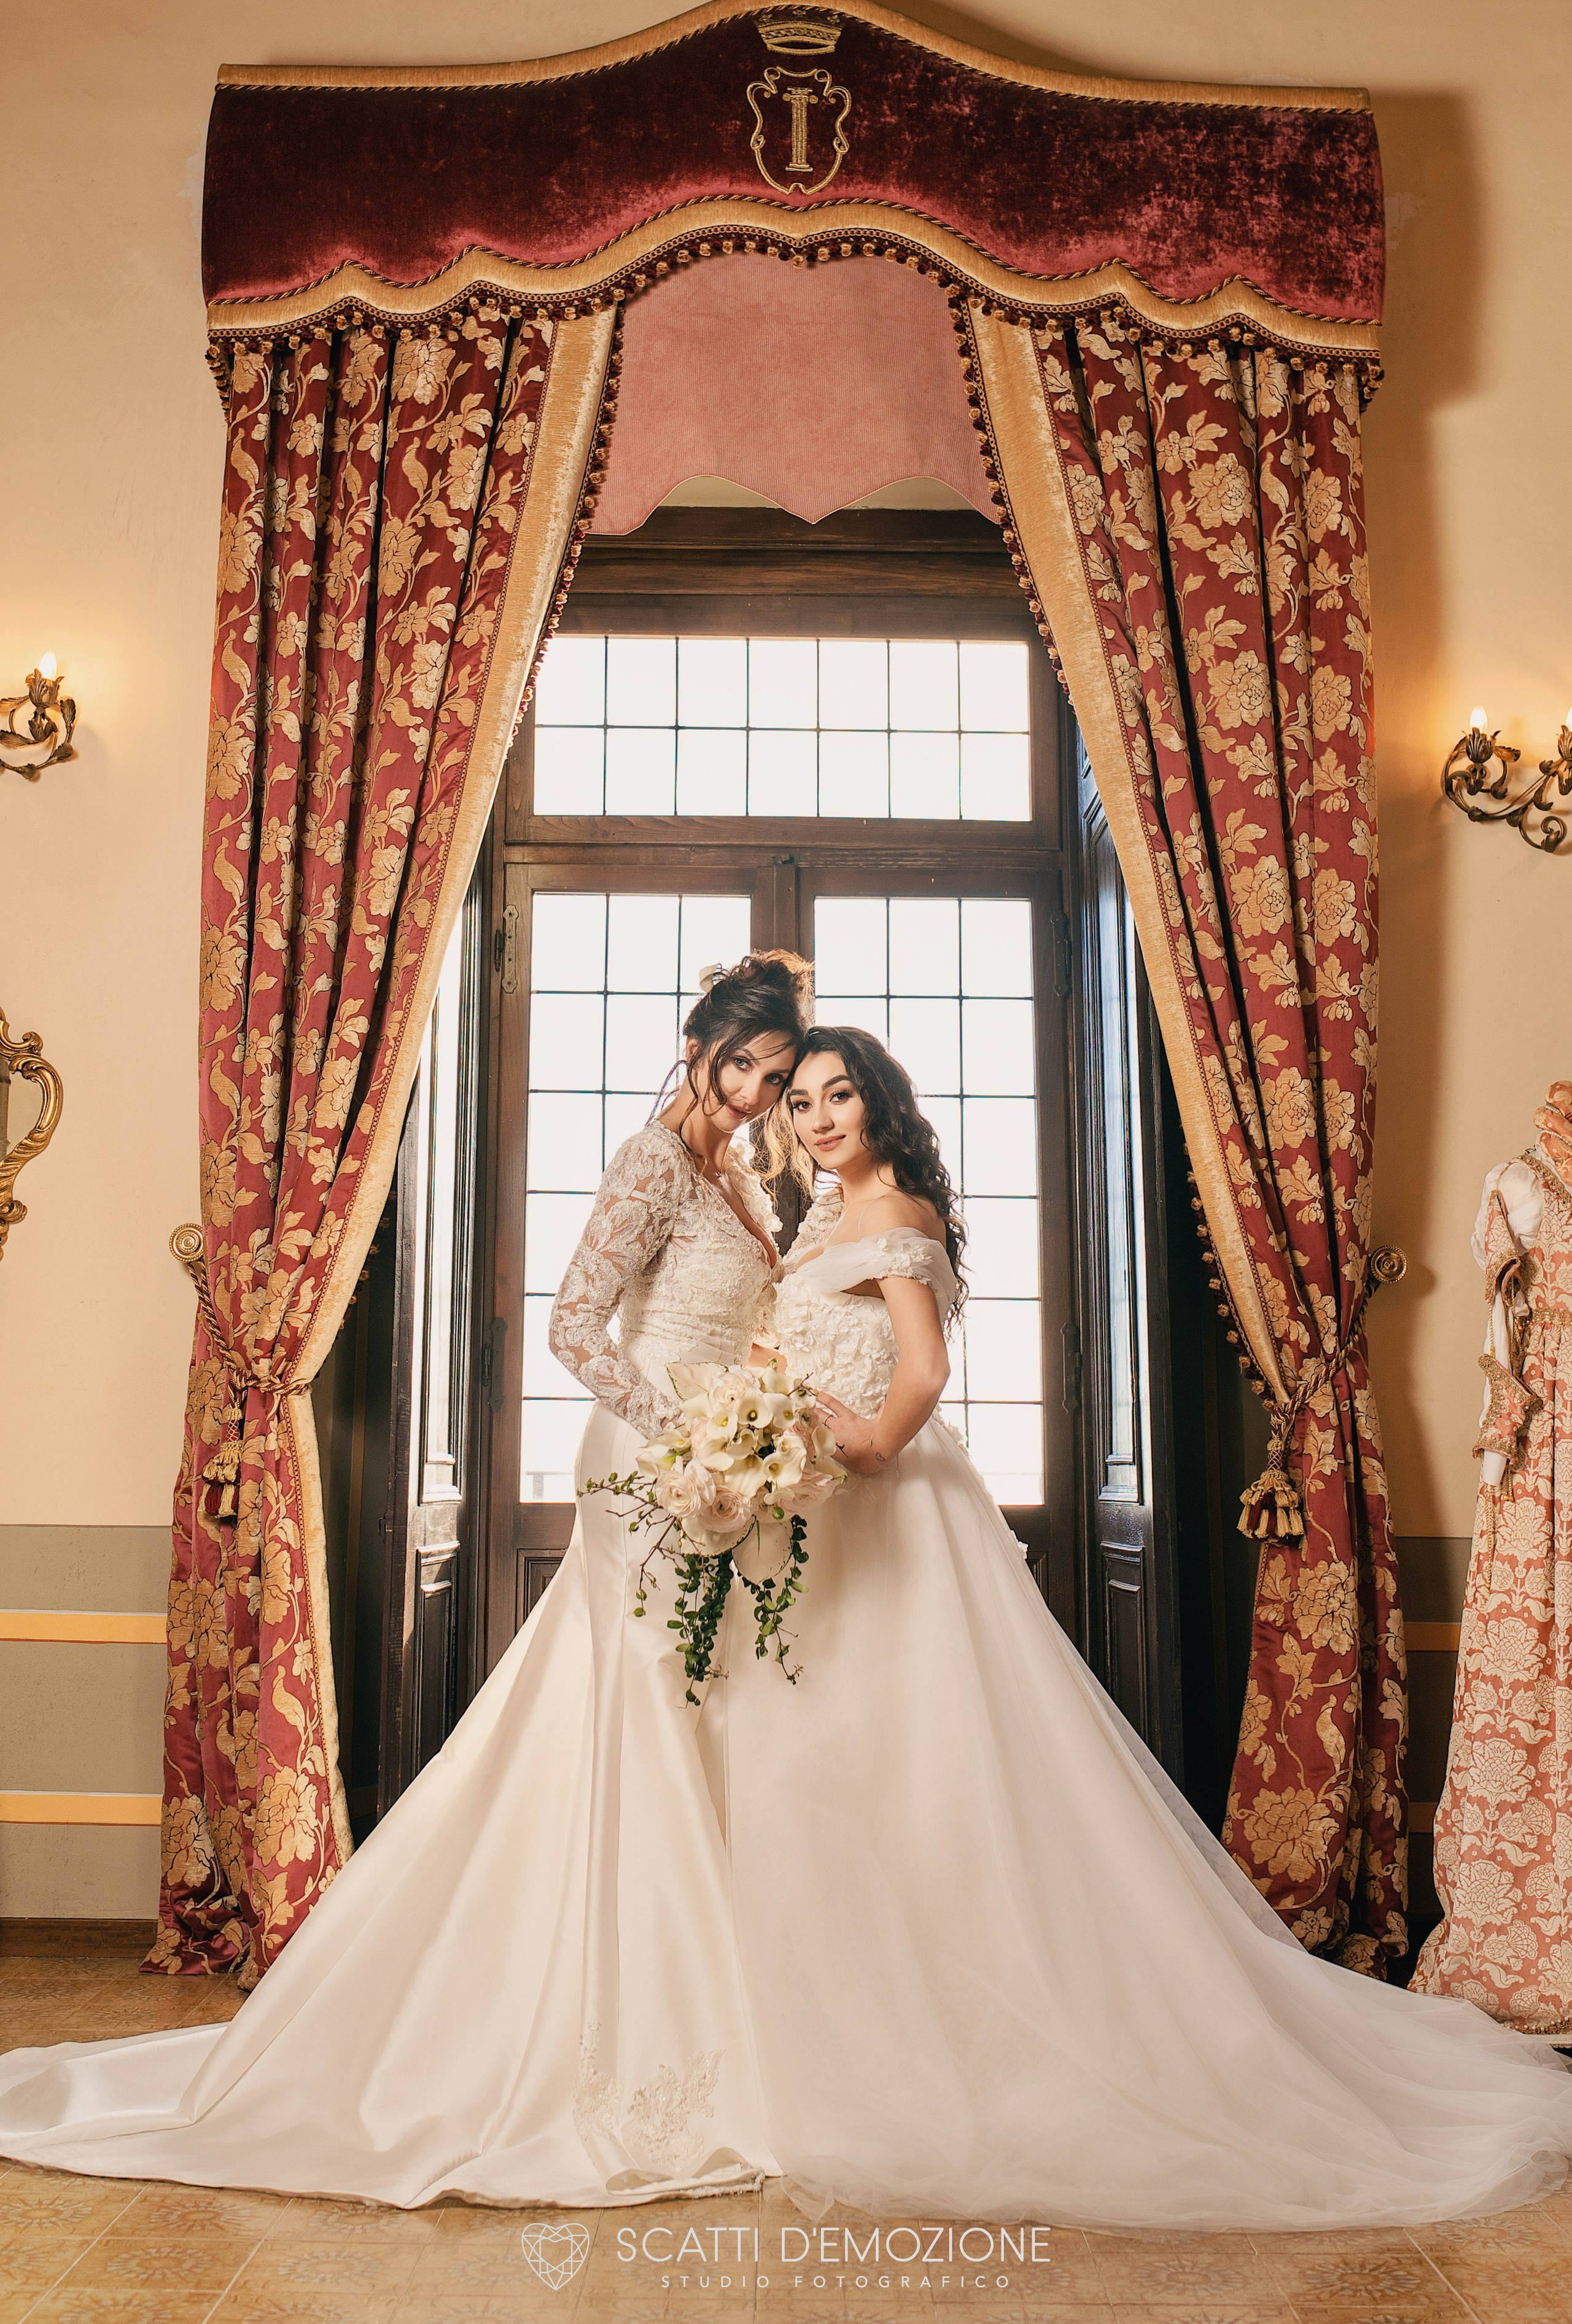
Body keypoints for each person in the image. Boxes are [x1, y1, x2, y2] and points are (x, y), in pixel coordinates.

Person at [706, 1026, 1572, 2228]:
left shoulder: (890, 1207)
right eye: (799, 1100)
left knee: (916, 1773)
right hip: (817, 1521)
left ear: (878, 1104)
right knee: (834, 1770)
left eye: (838, 1093)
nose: (816, 1116)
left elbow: (917, 1373)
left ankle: (944, 2025)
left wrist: (847, 1446)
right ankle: (822, 2018)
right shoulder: (816, 1220)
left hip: (886, 1507)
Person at [0, 952, 811, 2210]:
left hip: (722, 1467)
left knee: (703, 1718)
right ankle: (630, 2039)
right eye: (740, 1062)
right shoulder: (653, 1158)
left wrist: (759, 1413)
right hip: (650, 1464)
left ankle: (715, 2016)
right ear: (699, 1040)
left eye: (773, 1070)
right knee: (646, 1712)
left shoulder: (746, 1174)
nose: (755, 1089)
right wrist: (685, 1429)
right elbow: (573, 1326)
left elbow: (744, 1317)